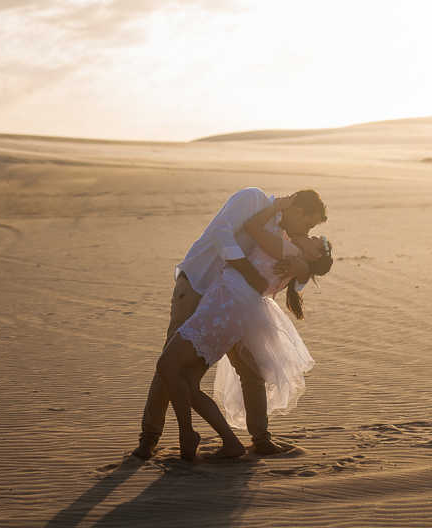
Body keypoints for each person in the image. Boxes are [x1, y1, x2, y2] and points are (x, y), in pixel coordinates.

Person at [130, 188, 327, 460]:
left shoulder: (285, 234)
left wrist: (304, 270)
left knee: (249, 371)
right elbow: (220, 233)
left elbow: (289, 268)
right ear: (297, 211)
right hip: (199, 285)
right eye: (308, 224)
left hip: (232, 302)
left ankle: (260, 438)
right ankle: (149, 438)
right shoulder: (253, 199)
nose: (307, 232)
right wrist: (248, 272)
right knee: (171, 363)